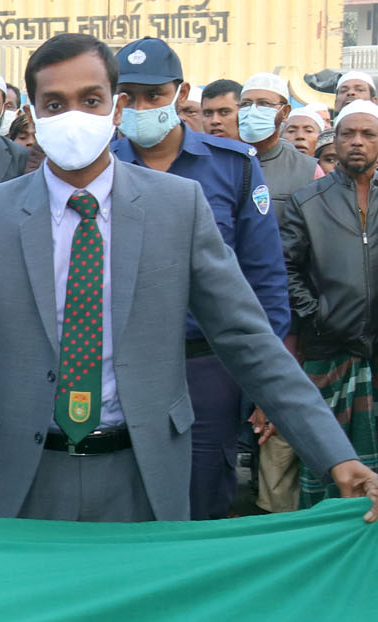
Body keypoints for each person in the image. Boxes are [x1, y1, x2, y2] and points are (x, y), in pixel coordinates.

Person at [0, 32, 378, 524]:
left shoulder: (177, 207)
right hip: (19, 474)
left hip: (143, 472)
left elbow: (250, 342)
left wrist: (339, 457)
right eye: (55, 104)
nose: (73, 116)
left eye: (90, 100)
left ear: (116, 107)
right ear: (32, 111)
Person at [109, 39, 289, 521]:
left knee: (203, 493)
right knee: (125, 493)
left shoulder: (233, 164)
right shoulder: (99, 167)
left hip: (207, 365)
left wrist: (262, 386)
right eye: (128, 96)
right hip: (122, 363)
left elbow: (265, 280)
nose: (142, 108)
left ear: (181, 91)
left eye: (155, 95)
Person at [279, 100, 378, 507]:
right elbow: (285, 270)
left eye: (368, 135)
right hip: (327, 352)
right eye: (348, 134)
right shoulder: (307, 201)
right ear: (333, 140)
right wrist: (319, 315)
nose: (357, 142)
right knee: (331, 473)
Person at [238, 72, 321, 223]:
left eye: (263, 103)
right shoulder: (225, 161)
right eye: (246, 104)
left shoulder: (309, 171)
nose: (252, 111)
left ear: (285, 112)